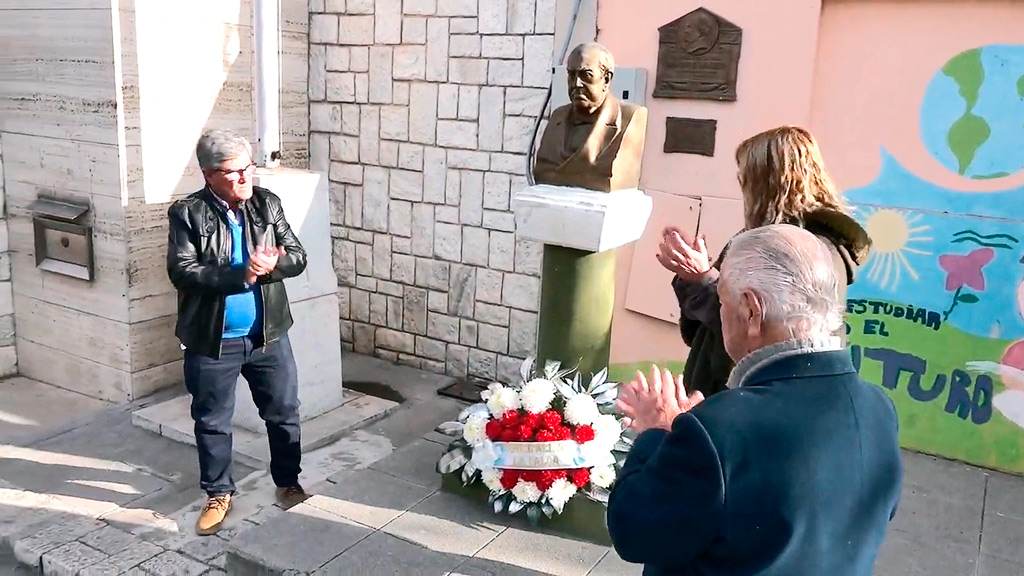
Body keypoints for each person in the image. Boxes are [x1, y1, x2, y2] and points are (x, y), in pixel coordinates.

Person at [608, 224, 902, 576]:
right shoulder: (878, 408)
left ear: (751, 310)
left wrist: (657, 433)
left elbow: (633, 531)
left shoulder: (714, 431)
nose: (719, 312)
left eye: (722, 301)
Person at [659, 125, 872, 399]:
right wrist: (695, 275)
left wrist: (703, 278)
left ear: (769, 181)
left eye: (744, 178)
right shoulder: (765, 236)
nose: (742, 188)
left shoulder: (807, 249)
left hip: (751, 397)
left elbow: (765, 330)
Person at [166, 129, 309, 536]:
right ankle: (218, 493)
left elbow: (297, 257)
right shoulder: (187, 213)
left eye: (249, 168)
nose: (247, 178)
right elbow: (183, 272)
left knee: (284, 413)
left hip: (268, 335)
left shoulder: (267, 204)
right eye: (234, 172)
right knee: (212, 420)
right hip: (214, 340)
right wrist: (239, 274)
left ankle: (288, 481)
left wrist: (271, 266)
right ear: (209, 174)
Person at [532, 42, 648, 192]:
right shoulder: (557, 117)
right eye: (571, 75)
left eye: (586, 75)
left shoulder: (630, 118)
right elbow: (542, 170)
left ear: (606, 79)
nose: (576, 84)